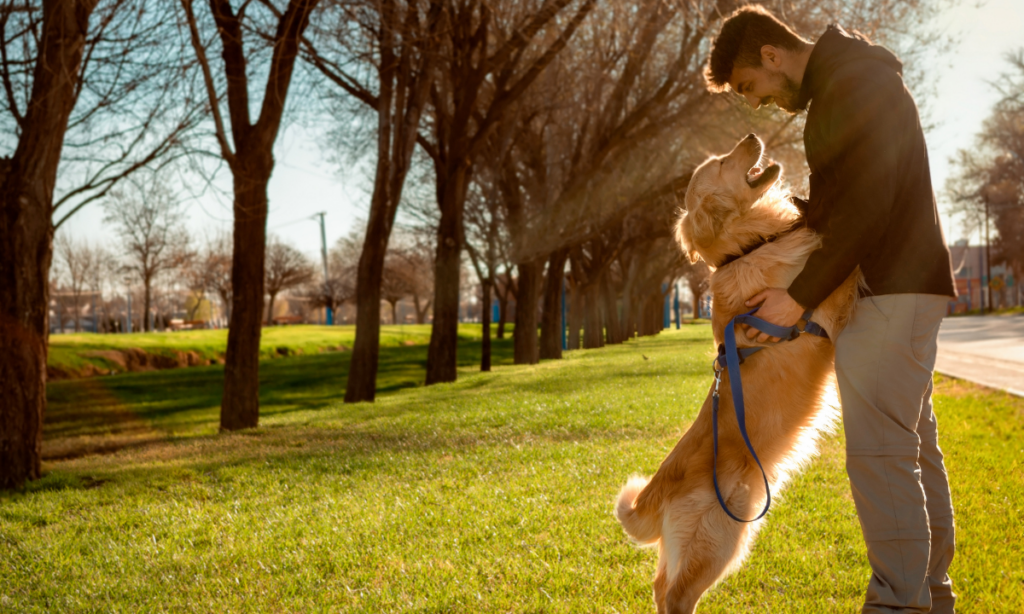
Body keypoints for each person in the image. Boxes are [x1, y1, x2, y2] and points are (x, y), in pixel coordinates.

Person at [704, 6, 958, 613]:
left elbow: (868, 205)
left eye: (750, 87)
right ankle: (931, 593)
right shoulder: (850, 80)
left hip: (889, 287)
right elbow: (852, 199)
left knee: (880, 456)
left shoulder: (852, 83)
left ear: (771, 55)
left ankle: (901, 602)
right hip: (897, 285)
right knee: (911, 447)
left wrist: (797, 295)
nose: (758, 102)